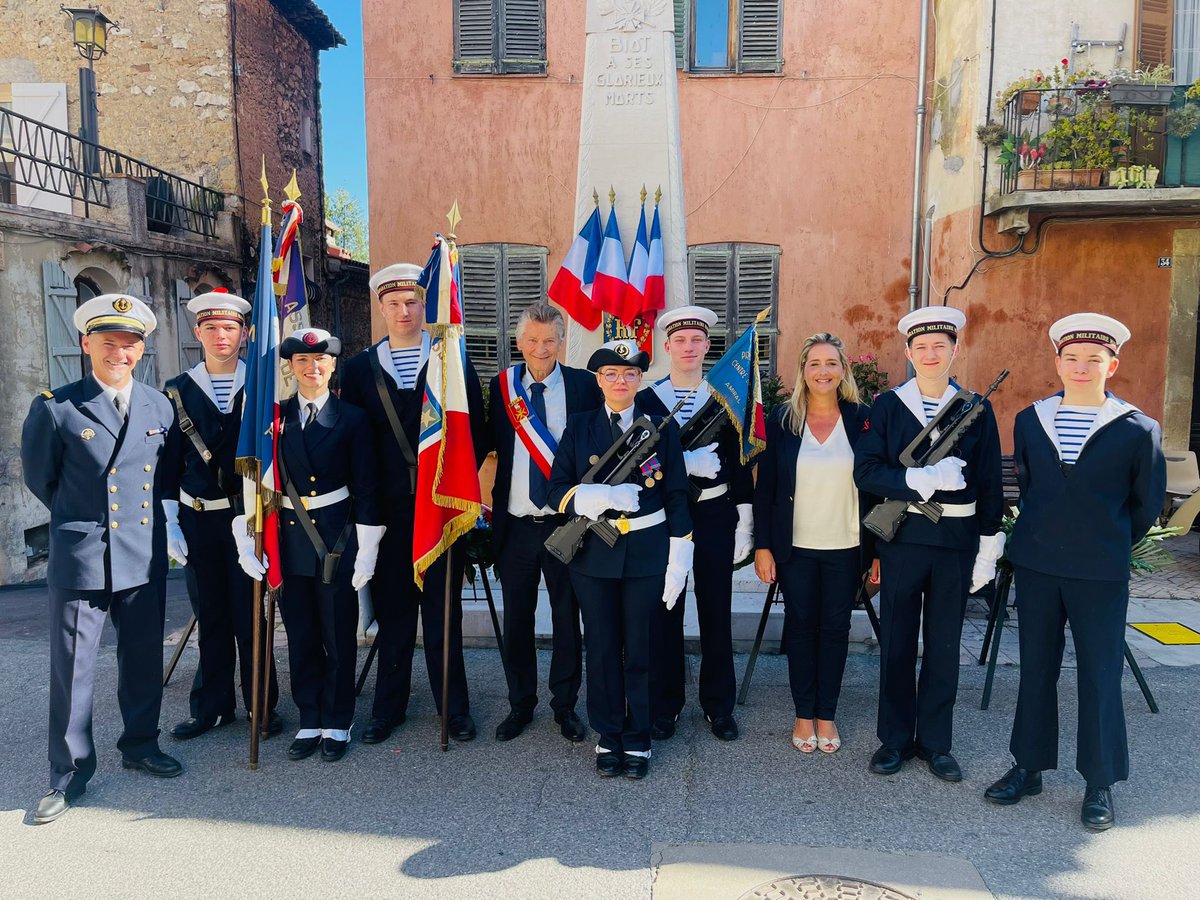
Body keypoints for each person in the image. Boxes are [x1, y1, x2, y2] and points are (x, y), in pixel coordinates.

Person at [984, 314, 1165, 831]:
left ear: (1113, 364)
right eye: (1072, 358)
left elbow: (1143, 505)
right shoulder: (1030, 418)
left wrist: (1102, 544)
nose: (1081, 367)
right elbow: (1030, 485)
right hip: (1038, 565)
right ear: (1057, 362)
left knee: (1100, 673)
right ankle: (1029, 766)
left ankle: (1100, 781)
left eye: (1093, 359)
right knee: (1036, 668)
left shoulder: (1136, 428)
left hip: (1099, 572)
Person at [21, 293, 183, 825]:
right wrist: (83, 520)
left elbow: (163, 477)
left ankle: (140, 743)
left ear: (142, 349)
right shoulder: (57, 406)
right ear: (87, 344)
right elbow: (42, 479)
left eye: (130, 343)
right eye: (109, 342)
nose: (120, 352)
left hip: (141, 550)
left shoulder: (160, 406)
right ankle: (68, 774)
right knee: (74, 668)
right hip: (83, 553)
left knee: (141, 659)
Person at [853, 306, 1004, 782]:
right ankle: (893, 739)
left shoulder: (976, 406)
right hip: (903, 539)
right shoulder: (888, 406)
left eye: (940, 345)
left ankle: (936, 742)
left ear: (955, 350)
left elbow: (990, 481)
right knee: (897, 642)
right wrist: (918, 478)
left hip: (956, 540)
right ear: (908, 353)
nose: (931, 354)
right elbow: (867, 472)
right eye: (921, 347)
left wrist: (988, 544)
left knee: (943, 644)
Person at [340, 263, 487, 745]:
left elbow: (475, 430)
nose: (404, 311)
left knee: (445, 615)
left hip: (441, 506)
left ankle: (454, 707)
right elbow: (353, 443)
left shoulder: (452, 359)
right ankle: (388, 708)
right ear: (380, 307)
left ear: (425, 306)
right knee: (395, 613)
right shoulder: (359, 369)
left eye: (413, 303)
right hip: (386, 512)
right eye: (394, 303)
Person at [233, 328, 382, 763]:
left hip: (335, 539)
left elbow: (367, 488)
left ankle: (338, 720)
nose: (311, 369)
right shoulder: (273, 419)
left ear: (333, 366)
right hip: (289, 539)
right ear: (291, 367)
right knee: (300, 635)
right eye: (302, 362)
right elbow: (252, 482)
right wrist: (247, 534)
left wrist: (368, 547)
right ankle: (310, 717)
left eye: (319, 362)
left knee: (337, 634)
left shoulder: (352, 418)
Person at [547, 340, 692, 780]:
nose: (620, 381)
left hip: (646, 554)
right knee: (604, 647)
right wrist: (599, 495)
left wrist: (680, 553)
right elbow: (555, 492)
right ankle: (609, 733)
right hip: (594, 555)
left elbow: (678, 493)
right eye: (611, 374)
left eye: (629, 374)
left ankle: (639, 736)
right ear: (598, 380)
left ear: (640, 380)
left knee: (642, 649)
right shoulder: (580, 427)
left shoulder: (658, 430)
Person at [161, 290, 281, 742]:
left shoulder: (263, 386)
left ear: (245, 333)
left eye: (229, 328)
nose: (220, 336)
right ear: (197, 333)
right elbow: (168, 463)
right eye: (210, 327)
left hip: (249, 517)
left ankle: (261, 707)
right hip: (199, 521)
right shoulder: (176, 391)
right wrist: (169, 519)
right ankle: (212, 707)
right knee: (209, 615)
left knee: (252, 615)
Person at [484, 303, 601, 743]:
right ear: (519, 342)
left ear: (561, 341)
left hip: (564, 525)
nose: (541, 348)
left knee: (567, 618)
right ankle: (520, 704)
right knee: (517, 619)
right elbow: (488, 442)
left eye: (549, 340)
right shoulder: (502, 388)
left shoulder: (584, 387)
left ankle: (565, 706)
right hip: (516, 525)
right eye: (532, 340)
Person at [753, 333, 874, 755]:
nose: (823, 371)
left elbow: (876, 491)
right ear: (803, 371)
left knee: (836, 630)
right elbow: (765, 489)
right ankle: (804, 714)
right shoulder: (782, 420)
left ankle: (828, 714)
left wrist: (876, 553)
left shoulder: (863, 420)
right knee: (802, 629)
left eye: (831, 363)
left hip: (847, 545)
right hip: (796, 547)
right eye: (815, 364)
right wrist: (763, 546)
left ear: (844, 371)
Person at [638, 306, 752, 742]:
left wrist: (745, 520)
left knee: (715, 611)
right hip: (665, 519)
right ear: (666, 347)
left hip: (716, 514)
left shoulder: (724, 396)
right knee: (664, 611)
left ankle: (718, 705)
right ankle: (664, 705)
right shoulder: (647, 400)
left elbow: (741, 462)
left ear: (708, 346)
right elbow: (639, 460)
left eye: (696, 340)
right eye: (679, 341)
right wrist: (683, 463)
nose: (688, 348)